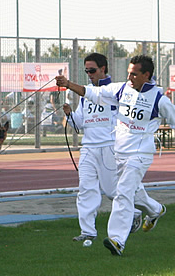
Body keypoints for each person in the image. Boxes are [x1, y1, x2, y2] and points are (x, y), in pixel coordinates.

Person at [56, 55, 175, 256]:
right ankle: (154, 210)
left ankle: (117, 240)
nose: (130, 77)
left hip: (140, 154)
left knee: (122, 193)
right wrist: (68, 84)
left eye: (134, 74)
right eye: (129, 72)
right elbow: (93, 93)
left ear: (147, 75)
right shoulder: (121, 89)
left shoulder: (159, 99)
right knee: (124, 191)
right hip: (120, 153)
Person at [62, 53, 145, 243]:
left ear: (103, 69)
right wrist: (69, 115)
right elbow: (79, 124)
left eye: (92, 70)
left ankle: (134, 212)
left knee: (111, 190)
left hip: (110, 146)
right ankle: (88, 231)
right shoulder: (85, 94)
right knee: (85, 189)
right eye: (86, 71)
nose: (89, 74)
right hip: (89, 147)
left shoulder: (116, 91)